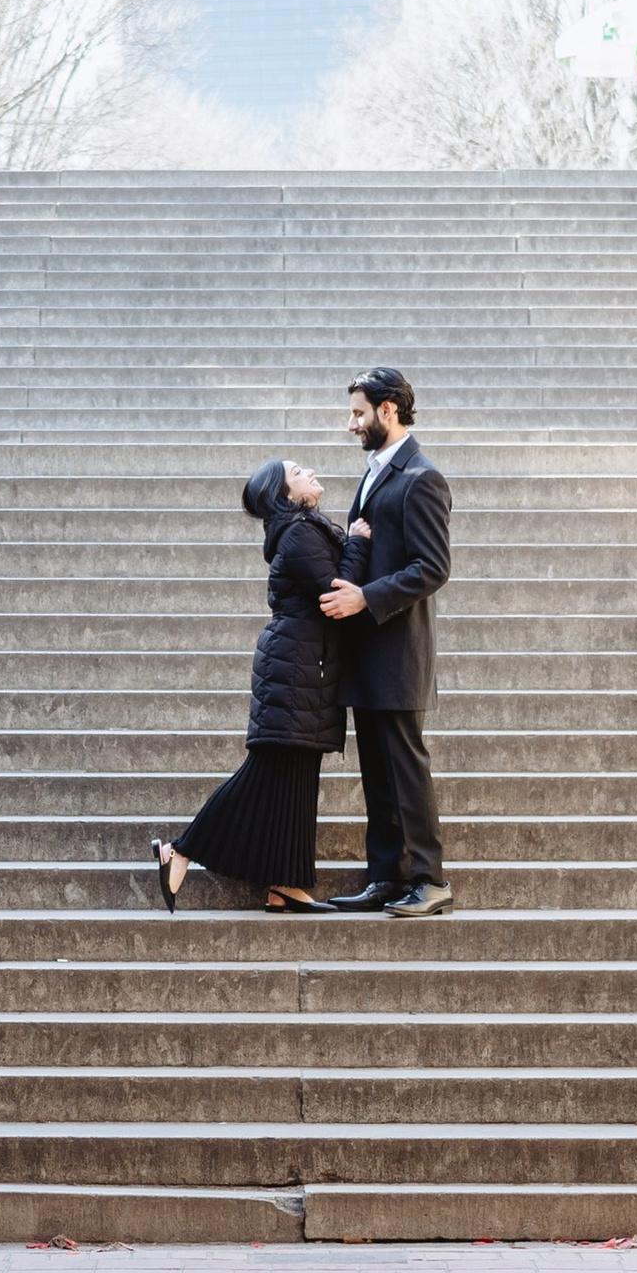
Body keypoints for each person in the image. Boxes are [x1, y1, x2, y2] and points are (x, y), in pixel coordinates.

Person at [151, 458, 357, 912]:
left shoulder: (303, 530)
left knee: (297, 780)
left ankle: (285, 885)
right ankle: (179, 850)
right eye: (298, 472)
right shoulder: (300, 534)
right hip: (295, 668)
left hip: (305, 666)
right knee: (264, 774)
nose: (310, 472)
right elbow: (336, 590)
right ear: (284, 495)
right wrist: (359, 543)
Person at [311, 363, 454, 918]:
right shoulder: (376, 472)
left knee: (405, 769)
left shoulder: (422, 477)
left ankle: (430, 880)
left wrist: (364, 598)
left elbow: (432, 567)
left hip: (398, 654)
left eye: (358, 413)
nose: (351, 424)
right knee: (376, 771)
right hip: (368, 655)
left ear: (387, 410)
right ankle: (387, 877)